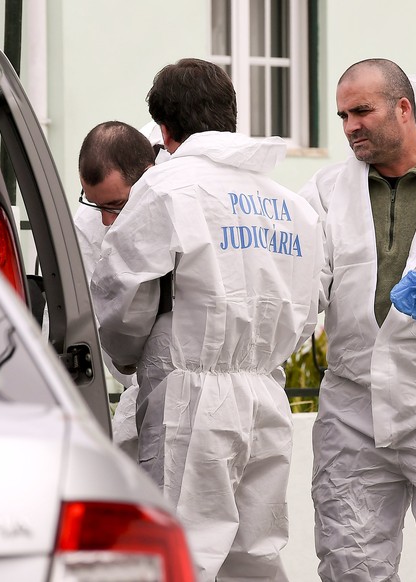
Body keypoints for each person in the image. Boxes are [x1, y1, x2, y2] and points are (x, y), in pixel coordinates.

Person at [90, 58, 323, 581]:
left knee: (179, 555)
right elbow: (307, 314)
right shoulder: (291, 206)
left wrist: (132, 362)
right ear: (230, 114)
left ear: (165, 130)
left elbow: (122, 297)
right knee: (254, 554)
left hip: (190, 401)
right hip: (266, 396)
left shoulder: (167, 189)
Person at [299, 58, 416, 582]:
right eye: (342, 115)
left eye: (362, 110)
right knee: (350, 562)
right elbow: (302, 282)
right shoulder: (324, 191)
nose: (350, 126)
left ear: (403, 109)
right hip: (353, 406)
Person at [76, 120, 158, 459]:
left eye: (116, 206)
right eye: (99, 206)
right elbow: (89, 322)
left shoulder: (174, 196)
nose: (107, 221)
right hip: (140, 384)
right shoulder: (86, 226)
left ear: (148, 177)